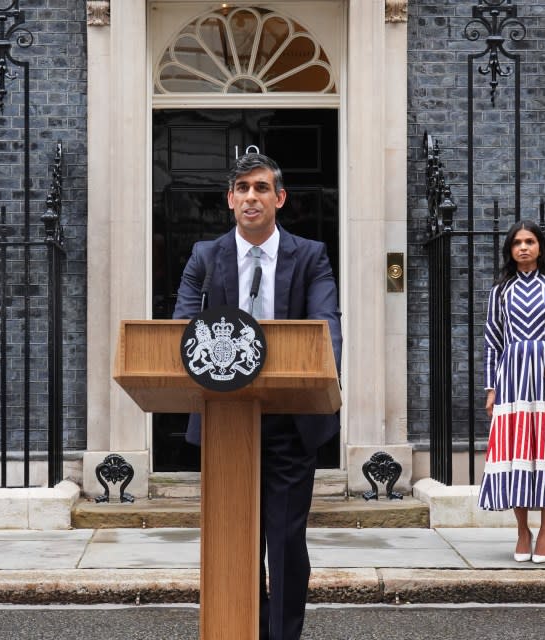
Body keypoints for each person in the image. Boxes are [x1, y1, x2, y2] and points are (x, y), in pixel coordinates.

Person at [172, 153, 341, 640]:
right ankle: (239, 628)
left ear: (279, 198)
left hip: (290, 419)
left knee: (285, 541)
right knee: (233, 540)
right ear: (229, 199)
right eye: (242, 188)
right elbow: (183, 329)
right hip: (226, 419)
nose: (251, 196)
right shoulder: (206, 257)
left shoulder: (310, 255)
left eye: (261, 188)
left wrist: (322, 375)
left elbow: (326, 329)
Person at [478, 219, 545, 564]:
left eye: (529, 241)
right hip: (512, 377)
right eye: (517, 243)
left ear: (540, 246)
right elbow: (492, 342)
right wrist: (491, 389)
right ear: (510, 250)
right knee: (516, 453)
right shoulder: (500, 291)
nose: (523, 247)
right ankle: (523, 530)